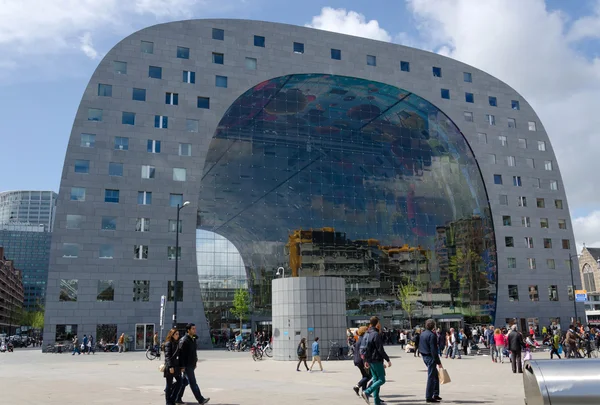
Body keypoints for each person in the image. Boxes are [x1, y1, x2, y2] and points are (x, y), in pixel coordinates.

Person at [360, 316, 391, 405]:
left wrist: (365, 360)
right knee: (382, 379)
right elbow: (380, 349)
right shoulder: (375, 334)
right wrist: (387, 359)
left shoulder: (367, 333)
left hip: (370, 360)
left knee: (375, 379)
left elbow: (364, 348)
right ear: (377, 323)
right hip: (376, 359)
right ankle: (367, 392)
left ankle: (377, 401)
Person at [177, 323, 210, 404]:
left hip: (191, 364)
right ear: (188, 330)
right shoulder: (184, 340)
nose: (195, 330)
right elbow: (181, 354)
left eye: (195, 328)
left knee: (184, 383)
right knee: (193, 382)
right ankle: (200, 399)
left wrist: (195, 361)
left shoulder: (193, 338)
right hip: (186, 365)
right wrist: (182, 366)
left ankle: (177, 398)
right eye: (193, 329)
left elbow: (193, 352)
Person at [419, 319, 443, 403]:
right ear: (433, 326)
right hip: (430, 357)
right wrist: (438, 362)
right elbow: (434, 351)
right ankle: (428, 396)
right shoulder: (432, 335)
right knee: (431, 377)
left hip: (425, 356)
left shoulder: (422, 334)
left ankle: (435, 393)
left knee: (435, 375)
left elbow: (420, 346)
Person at [164, 328, 182, 405]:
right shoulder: (168, 343)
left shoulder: (177, 343)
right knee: (169, 384)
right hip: (170, 366)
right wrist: (170, 366)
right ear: (172, 335)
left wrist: (182, 366)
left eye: (178, 334)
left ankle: (173, 398)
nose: (178, 335)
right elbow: (167, 356)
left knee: (180, 382)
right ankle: (168, 401)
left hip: (177, 366)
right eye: (176, 334)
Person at [352, 326, 370, 396]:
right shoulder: (364, 339)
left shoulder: (359, 339)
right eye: (367, 330)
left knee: (364, 375)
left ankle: (364, 390)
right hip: (361, 360)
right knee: (368, 376)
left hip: (357, 359)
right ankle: (357, 386)